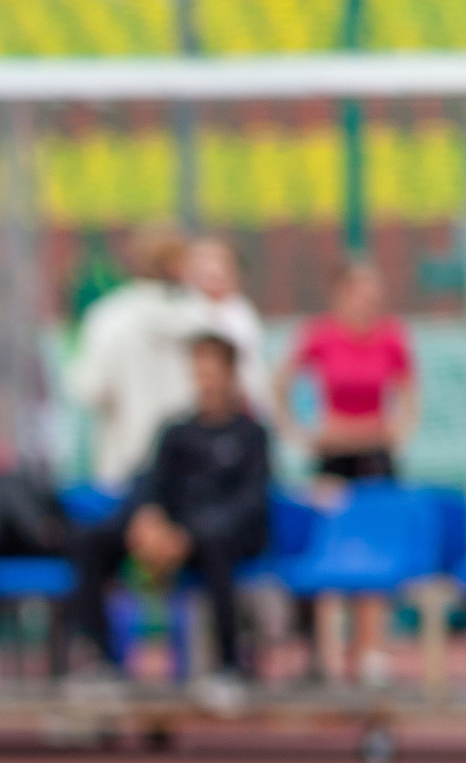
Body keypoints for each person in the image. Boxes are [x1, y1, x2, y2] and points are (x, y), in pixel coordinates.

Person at [66, 332, 271, 714]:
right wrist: (146, 521)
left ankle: (227, 668)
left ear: (230, 375)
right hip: (171, 536)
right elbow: (151, 483)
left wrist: (188, 535)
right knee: (91, 540)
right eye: (199, 373)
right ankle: (101, 663)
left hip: (222, 540)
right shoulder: (176, 431)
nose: (205, 382)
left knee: (215, 543)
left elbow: (250, 503)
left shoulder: (252, 435)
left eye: (212, 373)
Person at [271, 258, 418, 684]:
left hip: (375, 457)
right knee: (329, 548)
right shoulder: (319, 336)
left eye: (376, 293)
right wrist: (300, 432)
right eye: (361, 291)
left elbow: (408, 393)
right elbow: (281, 385)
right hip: (333, 457)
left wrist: (396, 430)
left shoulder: (392, 336)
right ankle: (327, 655)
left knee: (374, 550)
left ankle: (370, 650)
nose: (370, 301)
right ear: (341, 294)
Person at [67, 224, 204, 493]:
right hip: (194, 470)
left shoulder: (109, 318)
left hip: (123, 468)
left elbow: (88, 390)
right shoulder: (203, 319)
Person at [181, 236, 269, 414]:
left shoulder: (242, 313)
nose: (212, 269)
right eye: (203, 261)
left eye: (220, 262)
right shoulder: (182, 312)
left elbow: (253, 369)